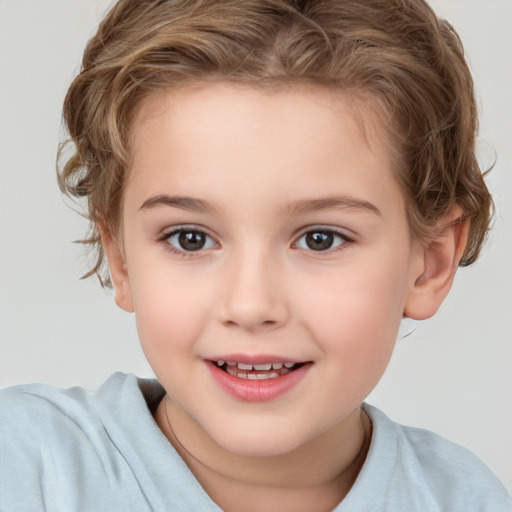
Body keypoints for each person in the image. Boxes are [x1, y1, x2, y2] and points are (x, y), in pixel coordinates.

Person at [1, 0, 510, 510]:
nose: (250, 305)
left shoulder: (463, 499)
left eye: (320, 239)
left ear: (430, 262)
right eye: (190, 238)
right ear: (122, 259)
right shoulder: (27, 465)